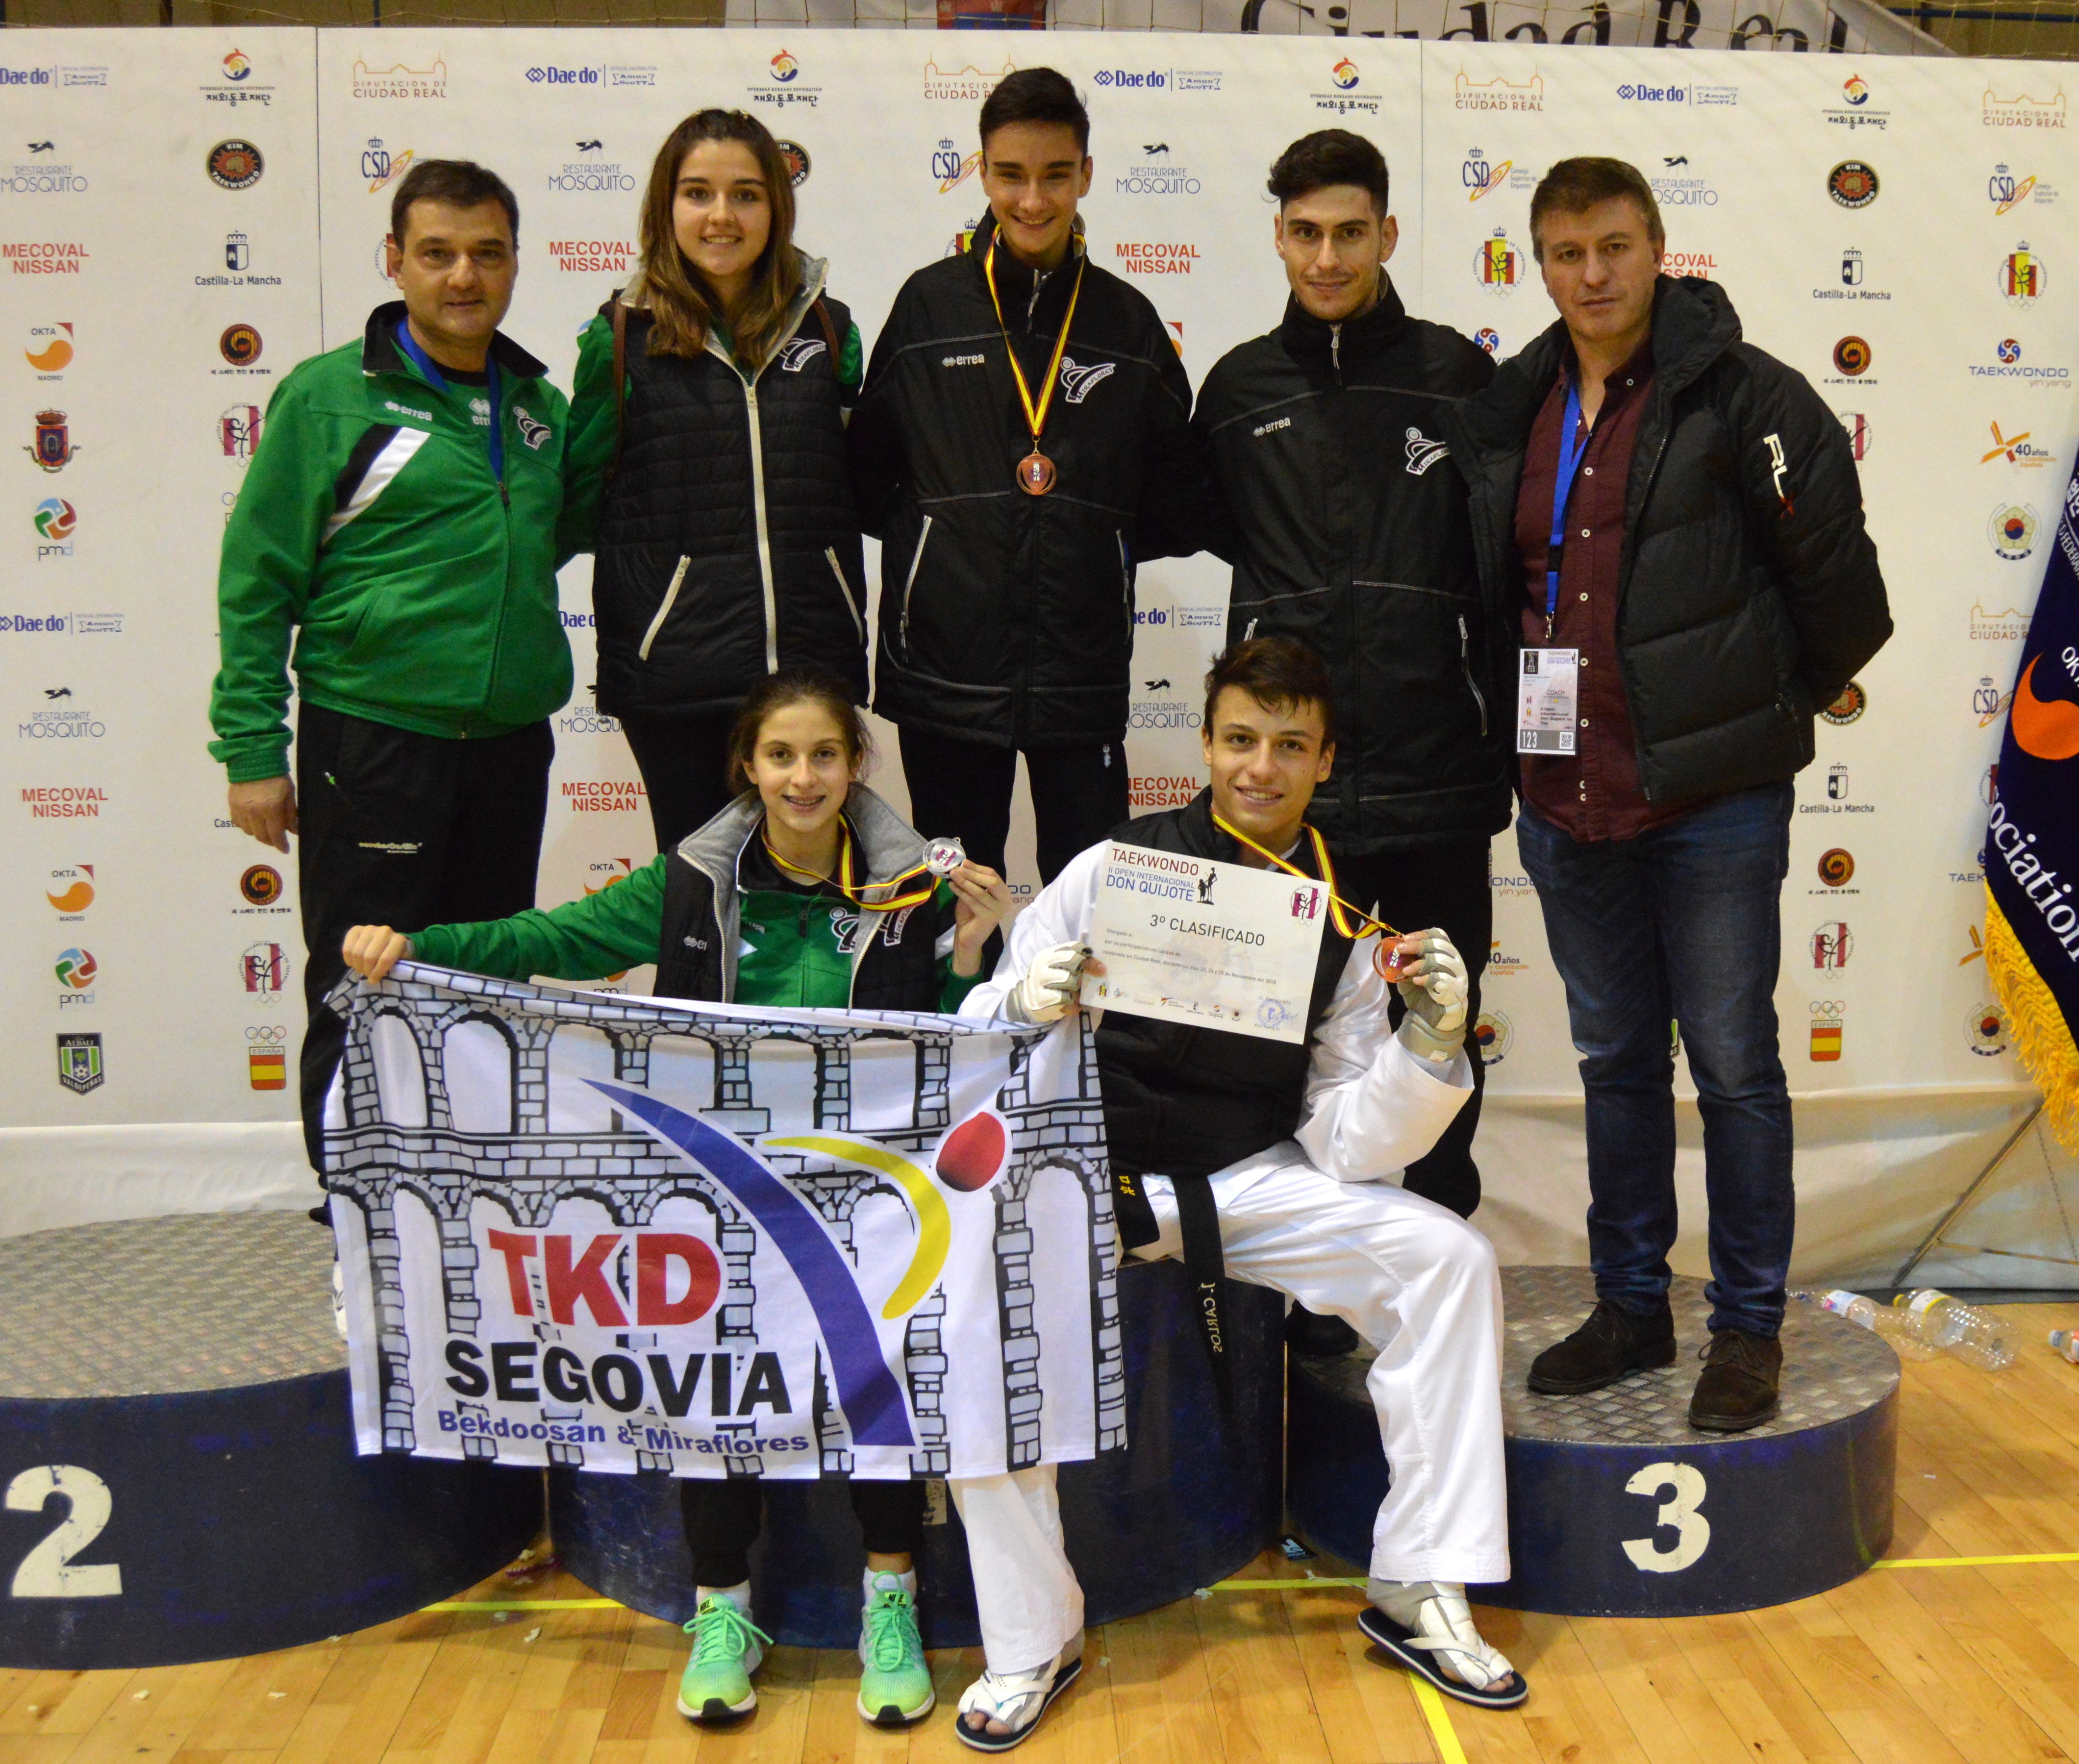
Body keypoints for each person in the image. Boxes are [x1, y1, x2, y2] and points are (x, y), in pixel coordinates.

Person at [340, 666, 1015, 1731]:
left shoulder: (918, 887)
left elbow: (957, 1040)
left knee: (879, 1381)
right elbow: (548, 943)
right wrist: (419, 947)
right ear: (747, 767)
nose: (804, 778)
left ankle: (890, 1599)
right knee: (715, 1385)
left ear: (856, 767)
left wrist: (977, 954)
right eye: (782, 756)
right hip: (723, 1188)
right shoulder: (691, 882)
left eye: (825, 755)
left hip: (871, 1199)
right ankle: (723, 1610)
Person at [943, 636, 1525, 1752]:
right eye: (1242, 740)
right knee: (980, 1323)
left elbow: (1351, 1143)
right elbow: (981, 1043)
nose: (1262, 767)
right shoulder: (1116, 865)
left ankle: (1423, 1585)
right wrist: (1024, 1000)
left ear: (1325, 761)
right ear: (1206, 744)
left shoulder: (1347, 920)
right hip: (1085, 1175)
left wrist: (1434, 1046)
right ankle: (1031, 1635)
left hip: (1249, 1179)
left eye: (1290, 747)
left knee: (1447, 1260)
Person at [1446, 159, 1891, 1432]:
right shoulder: (1515, 405)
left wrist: (1746, 724)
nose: (1592, 275)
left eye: (1615, 247)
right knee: (1616, 1064)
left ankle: (1747, 1331)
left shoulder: (1749, 398)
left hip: (1712, 805)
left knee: (1739, 1066)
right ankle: (1630, 1307)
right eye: (1566, 253)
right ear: (1539, 263)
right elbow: (1500, 596)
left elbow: (1840, 602)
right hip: (1564, 798)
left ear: (1658, 249)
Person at [208, 159, 584, 1181]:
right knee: (361, 987)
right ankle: (354, 1227)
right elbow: (256, 582)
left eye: (487, 253)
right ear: (395, 262)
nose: (465, 275)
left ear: (514, 263)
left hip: (509, 751)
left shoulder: (538, 407)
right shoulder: (333, 398)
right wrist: (252, 749)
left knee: (477, 989)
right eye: (438, 253)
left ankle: (458, 1209)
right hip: (373, 743)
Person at [1192, 130, 1505, 1236]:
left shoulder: (1459, 378)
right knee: (1284, 1051)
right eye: (1307, 234)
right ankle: (1307, 1301)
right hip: (1290, 799)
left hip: (1434, 783)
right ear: (1279, 236)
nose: (1328, 258)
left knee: (1437, 1036)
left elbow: (1503, 571)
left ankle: (1442, 1258)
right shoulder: (1235, 391)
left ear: (1388, 235)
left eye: (1351, 233)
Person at [847, 67, 1210, 887]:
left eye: (1055, 175)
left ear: (1086, 174)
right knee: (951, 910)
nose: (1033, 200)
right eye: (1011, 175)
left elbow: (1173, 500)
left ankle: (1074, 1028)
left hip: (1079, 677)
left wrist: (1091, 536)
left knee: (1086, 908)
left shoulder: (1128, 322)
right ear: (981, 171)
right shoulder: (928, 307)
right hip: (945, 676)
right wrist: (949, 541)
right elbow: (869, 482)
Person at [568, 108, 868, 853]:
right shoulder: (617, 340)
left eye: (746, 194)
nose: (722, 216)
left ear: (777, 206)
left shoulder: (831, 330)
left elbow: (866, 480)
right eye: (698, 193)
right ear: (666, 206)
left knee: (813, 892)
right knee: (695, 900)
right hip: (678, 681)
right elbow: (577, 506)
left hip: (810, 670)